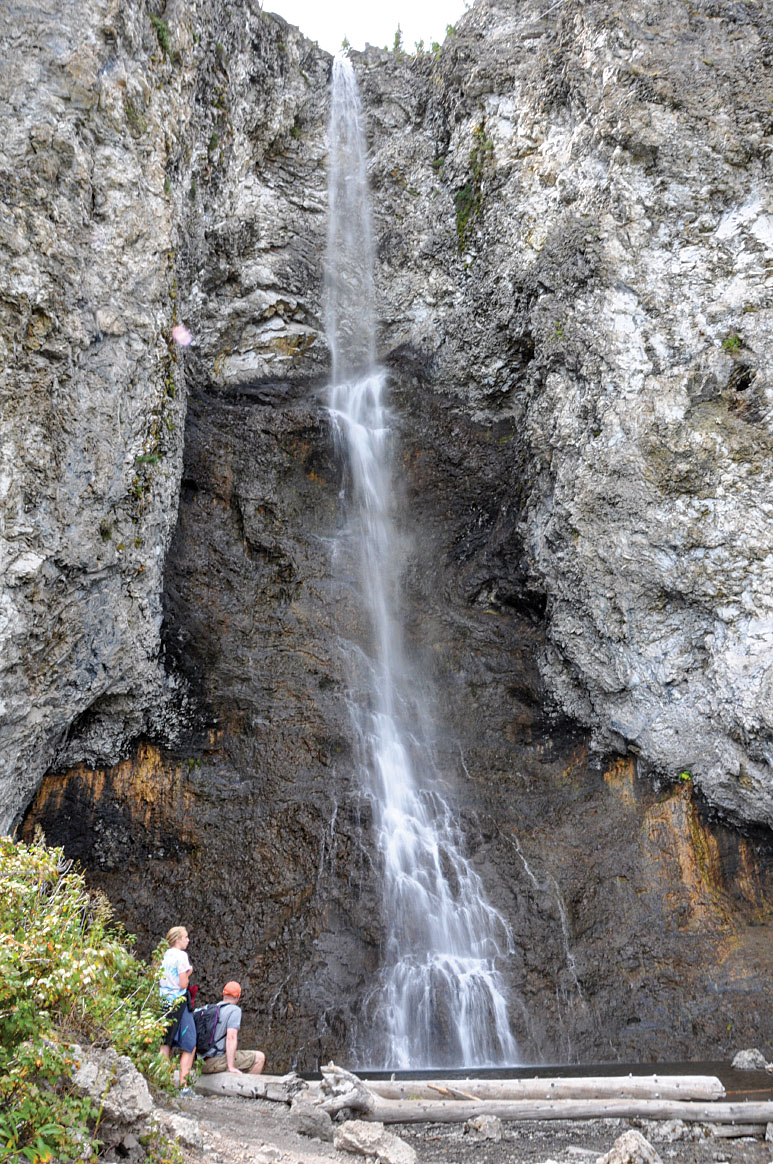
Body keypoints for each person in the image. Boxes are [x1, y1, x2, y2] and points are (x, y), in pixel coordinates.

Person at [199, 981, 266, 1076]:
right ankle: (245, 1089)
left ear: (223, 993)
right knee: (259, 1058)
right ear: (238, 996)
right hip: (214, 1062)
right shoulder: (234, 1010)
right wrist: (231, 1067)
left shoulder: (207, 1009)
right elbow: (231, 1037)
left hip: (199, 1063)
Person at [159, 926, 196, 1089]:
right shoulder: (181, 956)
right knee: (190, 1042)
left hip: (163, 1001)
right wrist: (189, 973)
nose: (188, 940)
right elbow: (183, 984)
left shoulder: (164, 955)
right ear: (177, 939)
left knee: (165, 1042)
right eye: (186, 937)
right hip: (178, 1002)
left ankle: (161, 1082)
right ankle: (183, 1085)